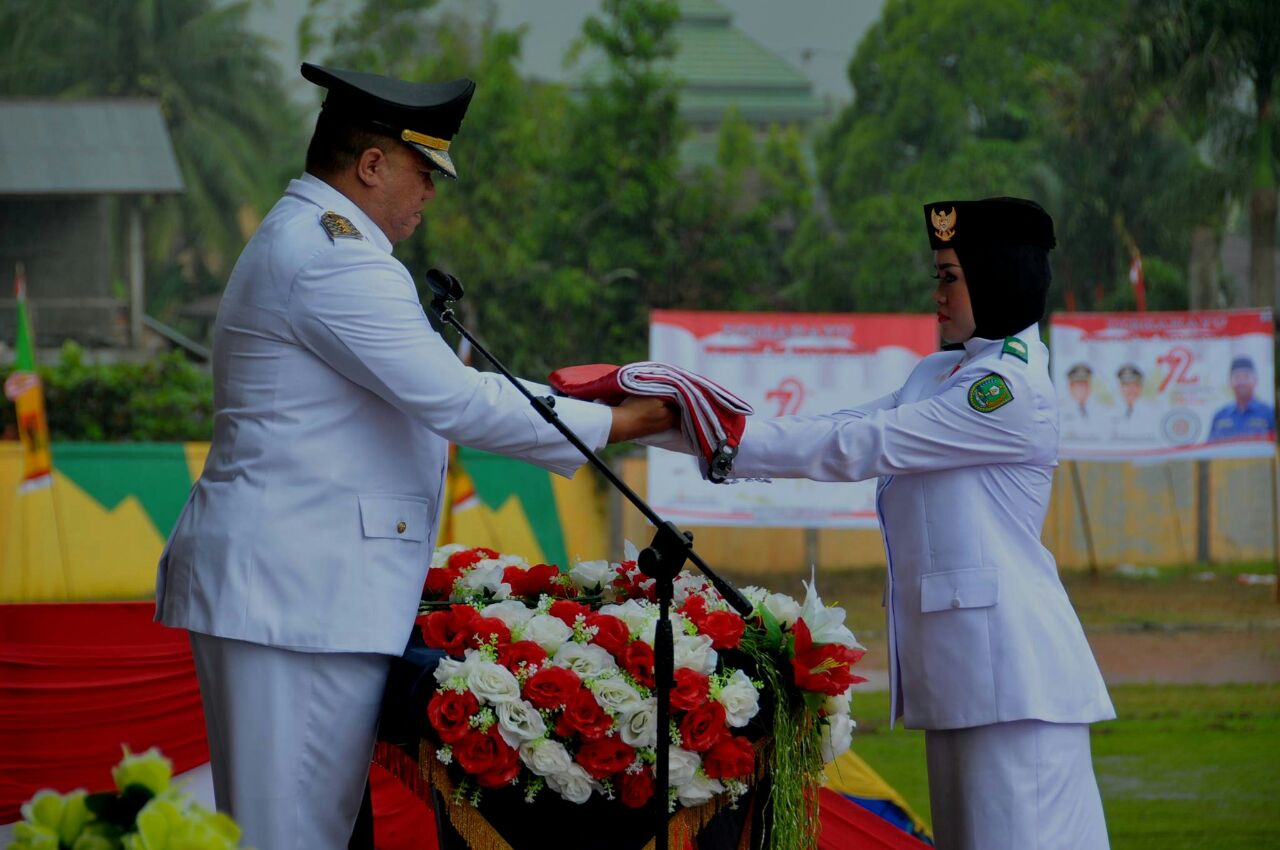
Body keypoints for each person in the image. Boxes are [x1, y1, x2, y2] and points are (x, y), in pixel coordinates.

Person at [154, 63, 675, 850]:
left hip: (296, 591)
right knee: (292, 836)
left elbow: (439, 393)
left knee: (291, 831)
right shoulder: (335, 256)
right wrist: (619, 421)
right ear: (371, 164)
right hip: (296, 597)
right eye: (422, 169)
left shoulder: (314, 239)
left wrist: (600, 410)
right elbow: (457, 400)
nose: (431, 190)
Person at [661, 198, 1115, 849]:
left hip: (1017, 684)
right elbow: (834, 426)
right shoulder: (940, 372)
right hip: (965, 682)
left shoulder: (1007, 390)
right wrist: (673, 422)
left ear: (998, 278)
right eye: (938, 275)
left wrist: (710, 434)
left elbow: (858, 446)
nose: (937, 294)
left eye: (950, 277)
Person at [1207, 356, 1276, 442]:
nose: (1242, 382)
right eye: (1237, 377)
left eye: (1246, 377)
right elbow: (1211, 446)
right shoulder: (1220, 416)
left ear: (1255, 380)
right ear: (1230, 382)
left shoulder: (1270, 413)